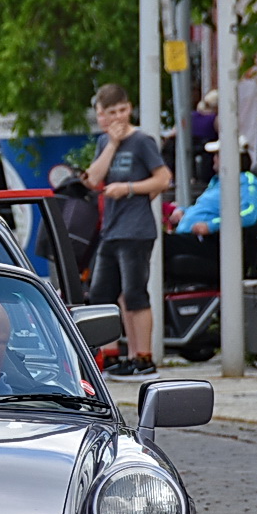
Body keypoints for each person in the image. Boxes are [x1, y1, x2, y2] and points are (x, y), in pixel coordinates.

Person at [85, 83, 172, 381]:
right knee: (103, 294)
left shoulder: (142, 141)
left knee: (135, 293)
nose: (118, 118)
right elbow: (93, 178)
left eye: (122, 111)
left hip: (136, 230)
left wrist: (130, 188)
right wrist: (111, 144)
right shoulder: (105, 143)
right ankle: (115, 354)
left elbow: (163, 178)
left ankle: (143, 358)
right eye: (111, 113)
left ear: (129, 108)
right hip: (111, 229)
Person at [163, 138, 257, 285]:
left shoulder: (246, 181)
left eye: (218, 154)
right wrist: (184, 212)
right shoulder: (218, 182)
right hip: (193, 238)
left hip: (214, 244)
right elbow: (206, 209)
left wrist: (211, 226)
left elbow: (249, 214)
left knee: (157, 242)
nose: (214, 159)